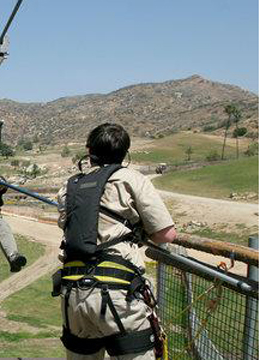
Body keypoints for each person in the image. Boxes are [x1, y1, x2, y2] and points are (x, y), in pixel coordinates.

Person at [55, 123, 176, 359]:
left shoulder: (69, 187)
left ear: (89, 151)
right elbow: (166, 234)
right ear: (125, 154)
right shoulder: (132, 179)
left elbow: (67, 226)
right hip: (120, 295)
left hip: (74, 296)